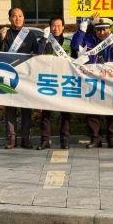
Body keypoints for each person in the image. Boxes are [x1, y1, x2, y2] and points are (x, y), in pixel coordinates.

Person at [71, 15, 113, 148]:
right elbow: (75, 45)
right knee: (93, 110)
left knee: (112, 109)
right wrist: (82, 29)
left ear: (110, 29)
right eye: (99, 30)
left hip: (110, 81)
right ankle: (95, 138)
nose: (102, 32)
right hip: (92, 80)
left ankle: (112, 138)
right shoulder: (88, 40)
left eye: (105, 29)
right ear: (94, 30)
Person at [0, 7, 39, 149]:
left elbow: (38, 54)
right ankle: (11, 139)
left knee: (26, 109)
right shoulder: (5, 33)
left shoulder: (30, 35)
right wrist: (1, 39)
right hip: (9, 77)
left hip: (26, 78)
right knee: (10, 109)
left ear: (24, 18)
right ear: (9, 18)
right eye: (14, 16)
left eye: (20, 16)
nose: (17, 19)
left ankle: (26, 138)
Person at [36, 16, 71, 150]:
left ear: (63, 27)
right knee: (46, 113)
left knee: (65, 113)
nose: (56, 28)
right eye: (53, 26)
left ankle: (65, 140)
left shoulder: (69, 42)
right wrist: (44, 38)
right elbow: (38, 54)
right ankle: (45, 140)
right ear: (49, 27)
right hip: (49, 80)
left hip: (65, 81)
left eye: (59, 25)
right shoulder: (45, 41)